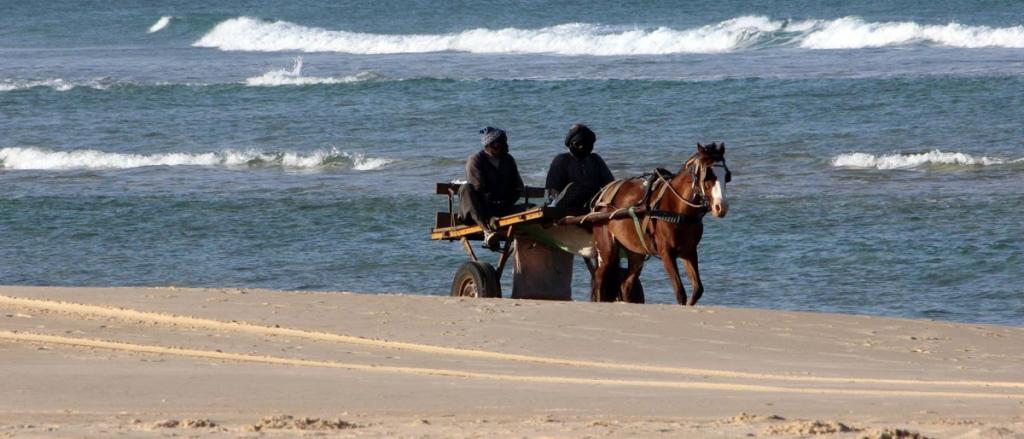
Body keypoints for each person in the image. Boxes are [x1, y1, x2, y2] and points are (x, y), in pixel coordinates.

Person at [459, 126, 524, 249]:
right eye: (503, 142)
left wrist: (505, 204)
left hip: (500, 209)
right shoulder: (476, 160)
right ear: (494, 145)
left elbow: (517, 188)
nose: (507, 146)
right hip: (477, 212)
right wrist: (489, 216)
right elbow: (478, 191)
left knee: (532, 209)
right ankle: (487, 232)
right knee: (466, 188)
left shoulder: (508, 160)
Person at [545, 124, 614, 209]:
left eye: (587, 145)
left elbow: (610, 185)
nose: (582, 148)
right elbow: (552, 193)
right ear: (571, 144)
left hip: (593, 204)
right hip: (567, 208)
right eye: (579, 145)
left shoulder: (595, 159)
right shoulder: (561, 160)